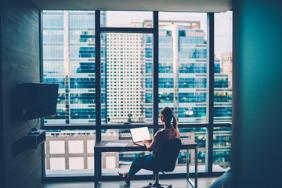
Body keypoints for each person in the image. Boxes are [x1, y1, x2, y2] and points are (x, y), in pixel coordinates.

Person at [119, 107, 180, 186]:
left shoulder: (160, 134)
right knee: (143, 158)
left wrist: (146, 142)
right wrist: (154, 141)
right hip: (169, 164)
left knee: (137, 160)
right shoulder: (176, 132)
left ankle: (127, 178)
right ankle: (127, 174)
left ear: (162, 118)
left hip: (157, 161)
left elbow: (150, 148)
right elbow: (166, 144)